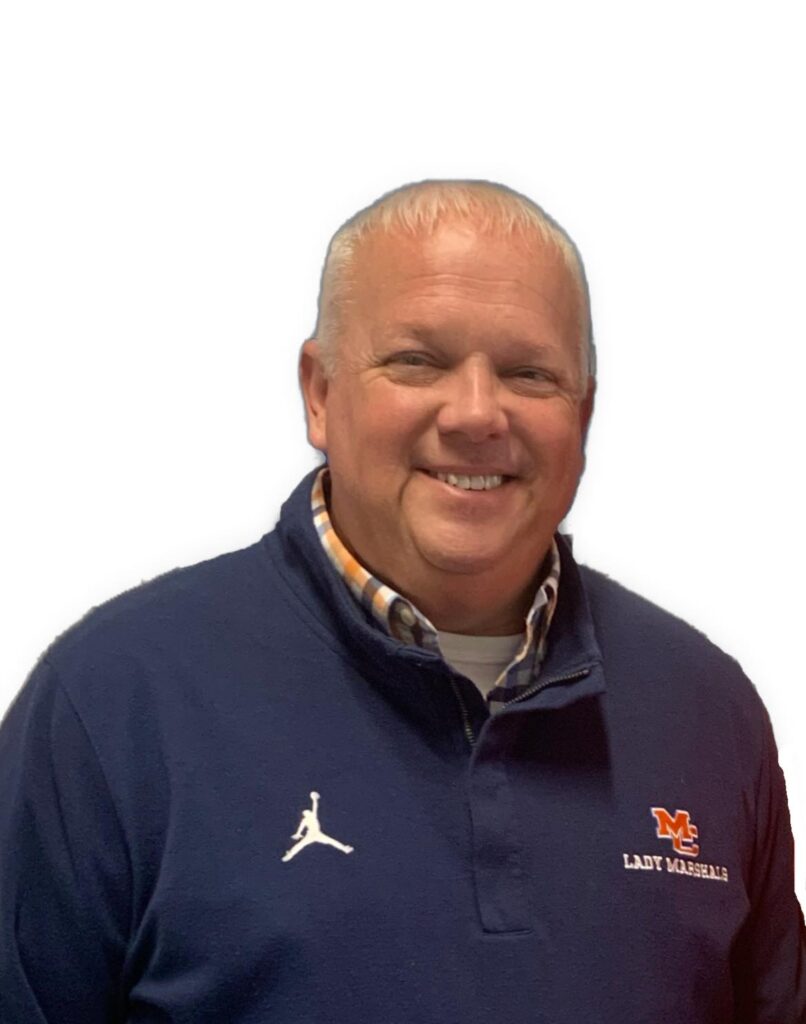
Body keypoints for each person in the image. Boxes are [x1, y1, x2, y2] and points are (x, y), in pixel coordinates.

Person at [0, 179, 803, 1023]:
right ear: (319, 391)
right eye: (418, 361)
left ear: (585, 414)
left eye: (530, 373)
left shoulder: (709, 711)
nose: (477, 414)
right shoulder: (112, 704)